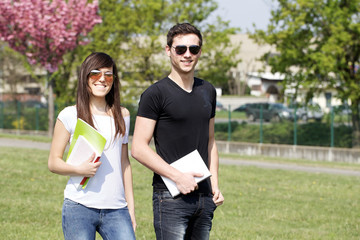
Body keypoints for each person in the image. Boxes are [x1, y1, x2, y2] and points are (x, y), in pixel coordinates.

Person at [131, 22, 224, 240]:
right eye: (180, 49)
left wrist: (215, 185)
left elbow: (210, 141)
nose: (187, 54)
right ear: (168, 50)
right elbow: (138, 148)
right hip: (170, 196)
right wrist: (178, 177)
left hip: (204, 197)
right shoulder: (155, 94)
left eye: (193, 49)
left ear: (200, 51)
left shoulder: (208, 91)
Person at [48, 52, 136, 240]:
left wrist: (131, 208)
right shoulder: (69, 115)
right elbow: (53, 162)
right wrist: (79, 168)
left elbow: (124, 163)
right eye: (95, 73)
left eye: (108, 74)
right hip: (79, 206)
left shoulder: (124, 115)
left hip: (117, 209)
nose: (102, 79)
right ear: (85, 77)